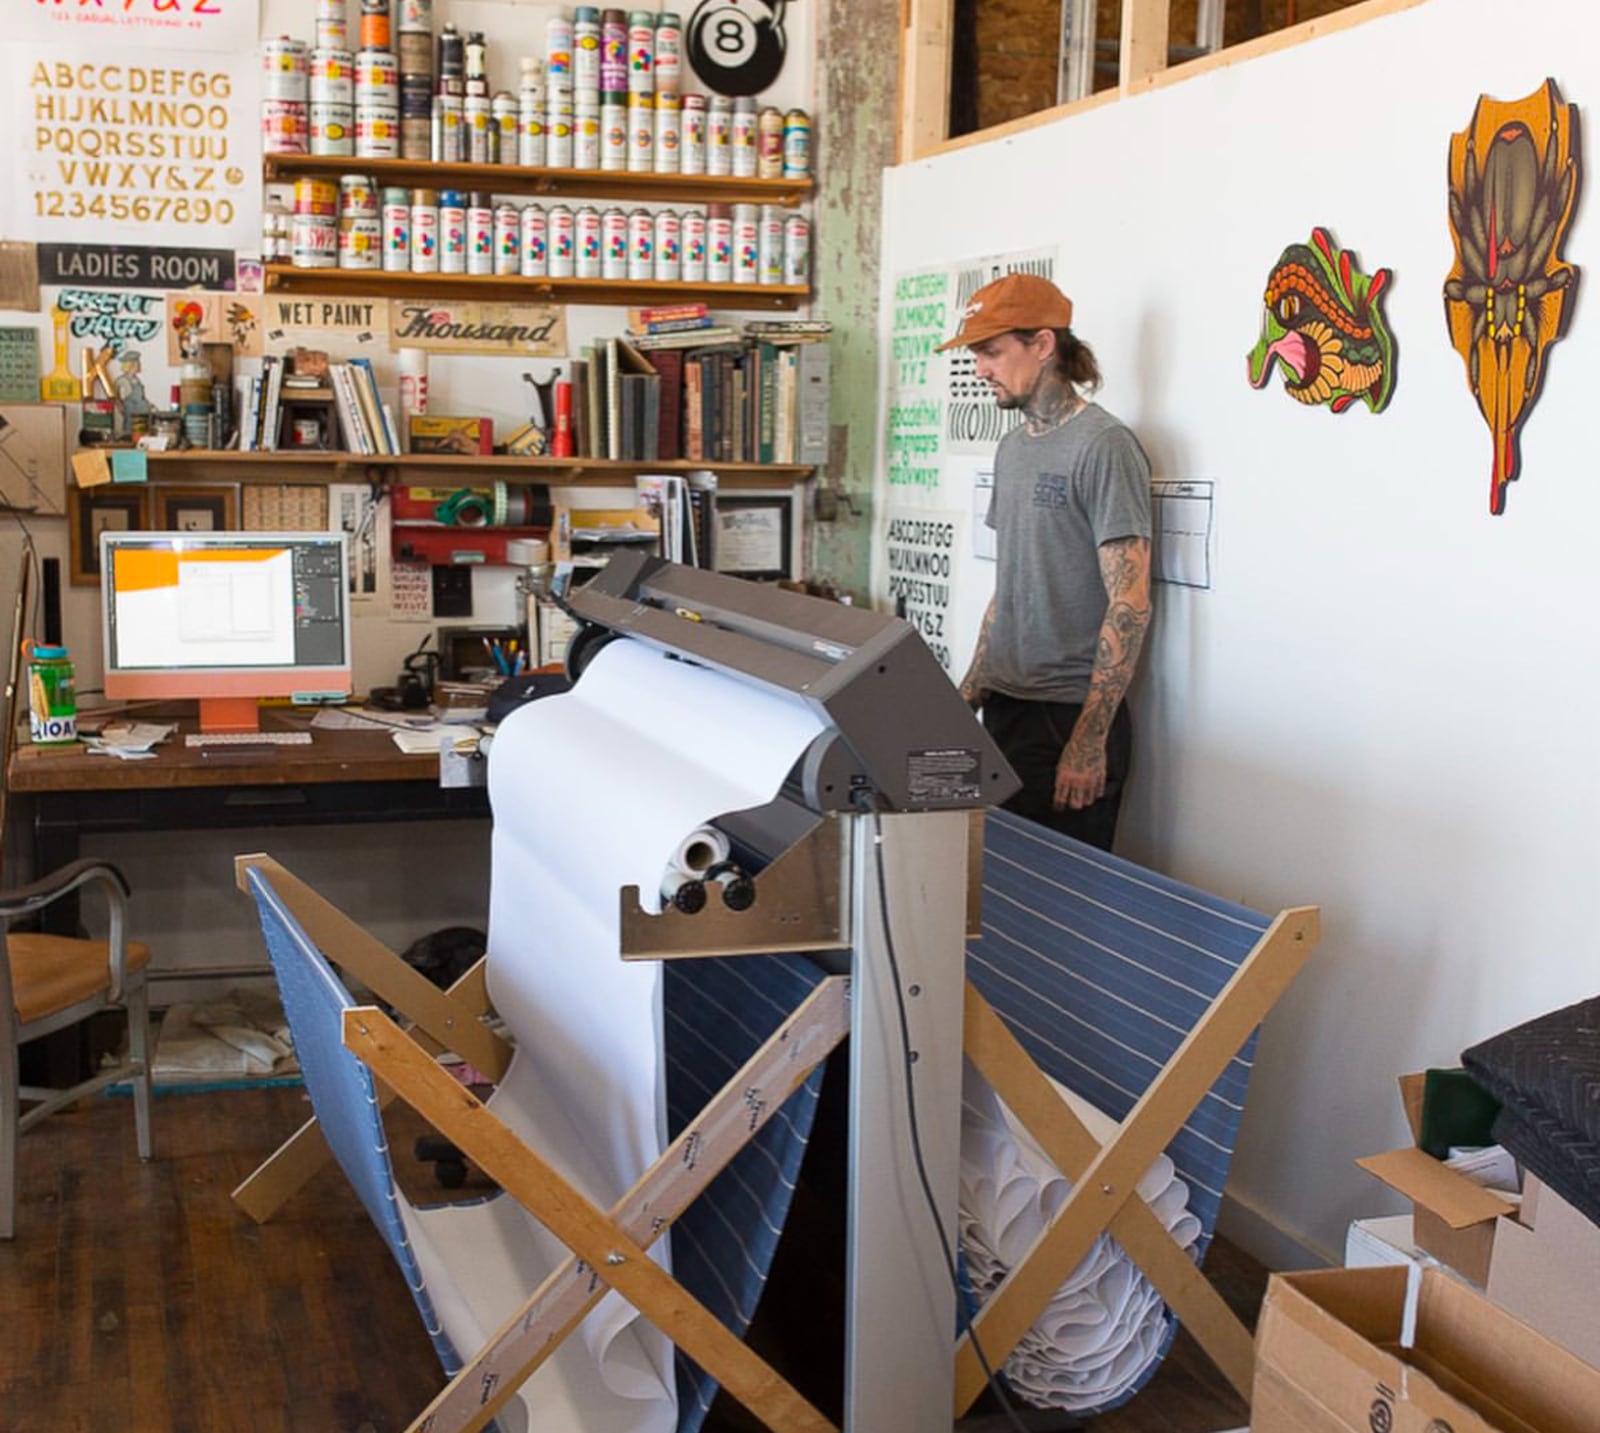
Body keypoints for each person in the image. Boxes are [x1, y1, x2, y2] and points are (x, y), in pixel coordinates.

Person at [939, 273, 1153, 851]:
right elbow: (1009, 589)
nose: (980, 368)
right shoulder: (1011, 449)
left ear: (1042, 344)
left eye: (990, 351)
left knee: (1058, 908)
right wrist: (967, 696)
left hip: (1067, 718)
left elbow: (1129, 601)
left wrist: (1089, 738)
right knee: (992, 892)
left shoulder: (1103, 445)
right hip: (1005, 710)